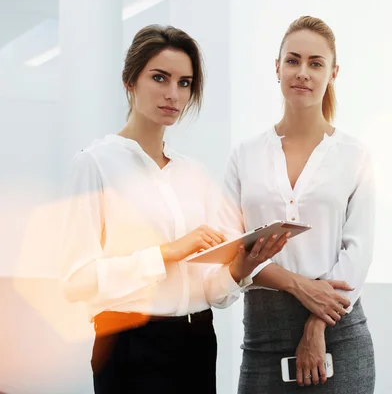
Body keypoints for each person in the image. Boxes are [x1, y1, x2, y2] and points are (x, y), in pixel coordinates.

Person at [58, 24, 288, 394]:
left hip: (197, 340)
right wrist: (166, 253)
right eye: (160, 78)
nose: (173, 94)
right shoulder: (95, 164)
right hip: (129, 345)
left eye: (184, 83)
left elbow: (209, 290)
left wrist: (238, 269)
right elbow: (75, 282)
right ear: (129, 81)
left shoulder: (193, 174)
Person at [226, 16, 376, 393]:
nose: (302, 72)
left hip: (338, 335)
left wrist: (316, 324)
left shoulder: (354, 156)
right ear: (277, 68)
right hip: (262, 338)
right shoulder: (244, 155)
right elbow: (230, 251)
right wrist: (296, 285)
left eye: (315, 63)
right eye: (292, 61)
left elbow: (357, 253)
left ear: (333, 73)